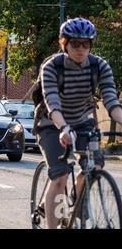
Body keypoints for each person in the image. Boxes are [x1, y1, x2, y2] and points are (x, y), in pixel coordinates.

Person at [36, 17, 122, 229]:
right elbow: (52, 102)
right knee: (60, 176)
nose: (81, 49)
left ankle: (76, 199)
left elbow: (111, 100)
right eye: (75, 43)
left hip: (82, 122)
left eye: (86, 44)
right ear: (64, 43)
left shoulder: (99, 65)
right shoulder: (52, 67)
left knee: (96, 165)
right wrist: (63, 128)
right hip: (51, 123)